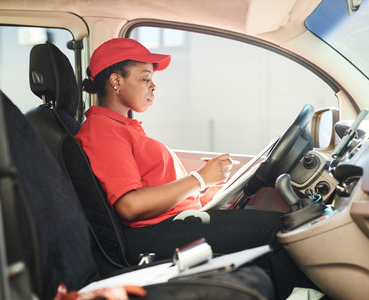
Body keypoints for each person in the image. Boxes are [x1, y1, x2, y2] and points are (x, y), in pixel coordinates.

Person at [76, 38, 314, 298]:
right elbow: (130, 206)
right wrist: (199, 179)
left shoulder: (124, 127)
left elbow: (156, 188)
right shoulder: (102, 130)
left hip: (168, 221)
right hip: (151, 233)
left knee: (269, 223)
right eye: (145, 78)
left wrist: (210, 191)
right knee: (278, 229)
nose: (154, 85)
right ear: (116, 81)